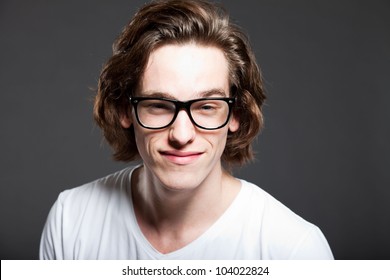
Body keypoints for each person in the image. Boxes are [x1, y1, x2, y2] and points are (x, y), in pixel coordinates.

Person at [40, 0, 333, 260]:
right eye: (159, 105)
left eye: (207, 106)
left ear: (236, 114)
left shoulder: (295, 250)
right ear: (125, 110)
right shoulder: (71, 220)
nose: (181, 135)